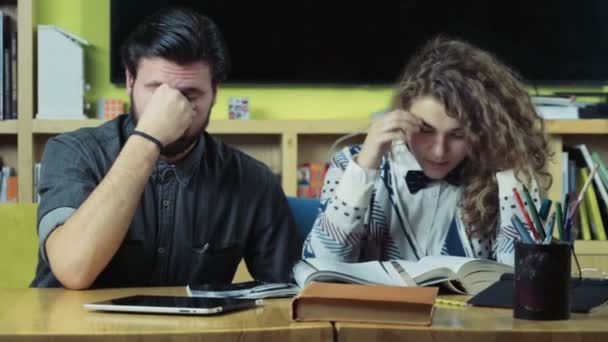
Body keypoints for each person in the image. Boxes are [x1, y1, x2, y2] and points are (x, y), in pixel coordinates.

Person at [31, 7, 299, 289]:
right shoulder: (73, 152)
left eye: (189, 95)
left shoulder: (252, 180)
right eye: (156, 90)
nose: (171, 107)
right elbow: (74, 268)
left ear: (214, 93)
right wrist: (149, 136)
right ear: (130, 82)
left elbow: (286, 297)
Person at [302, 38, 552, 266]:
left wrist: (511, 176)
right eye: (425, 130)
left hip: (469, 317)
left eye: (458, 134)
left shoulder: (502, 175)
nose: (439, 151)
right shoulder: (350, 164)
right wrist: (364, 169)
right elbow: (322, 264)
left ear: (482, 131)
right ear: (402, 114)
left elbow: (524, 274)